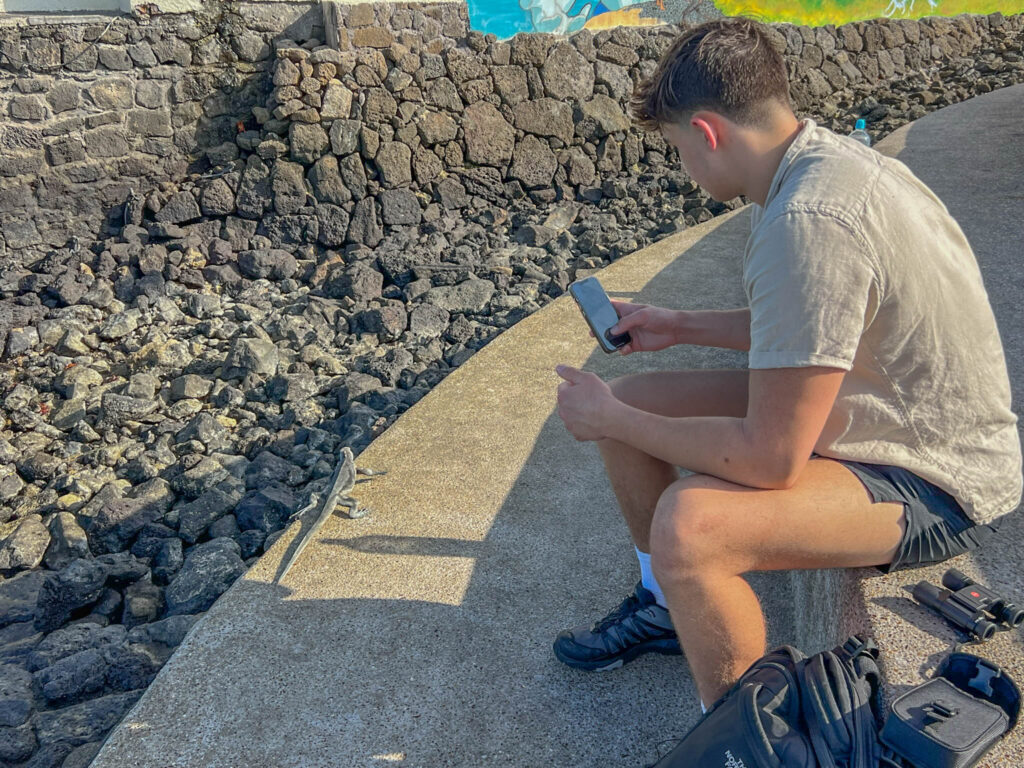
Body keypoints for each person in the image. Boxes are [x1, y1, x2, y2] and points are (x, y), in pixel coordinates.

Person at [551, 16, 1022, 712]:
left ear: (708, 132)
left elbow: (769, 460)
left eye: (681, 149)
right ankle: (665, 608)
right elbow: (819, 325)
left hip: (931, 477)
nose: (686, 169)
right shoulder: (824, 163)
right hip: (877, 405)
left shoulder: (810, 221)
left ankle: (749, 740)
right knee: (640, 406)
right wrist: (678, 324)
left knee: (691, 526)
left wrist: (608, 415)